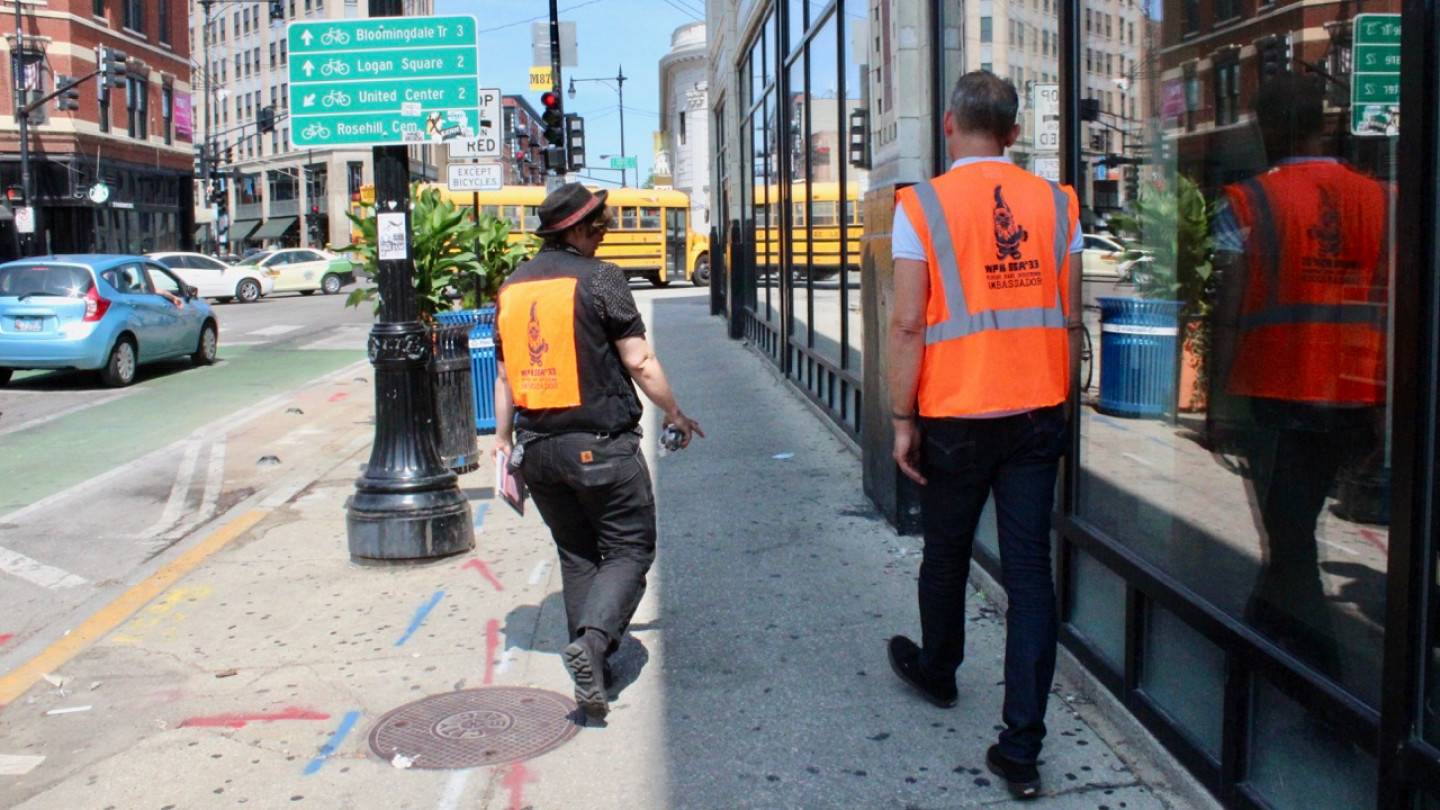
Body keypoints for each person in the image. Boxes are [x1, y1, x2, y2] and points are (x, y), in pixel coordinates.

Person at [885, 70, 1082, 800]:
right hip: (1036, 413)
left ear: (949, 125)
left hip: (956, 415)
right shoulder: (1058, 204)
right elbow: (1066, 318)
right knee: (1030, 574)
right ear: (1013, 130)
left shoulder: (922, 206)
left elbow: (908, 323)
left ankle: (939, 672)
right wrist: (1060, 410)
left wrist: (902, 418)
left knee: (948, 550)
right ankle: (1022, 749)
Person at [492, 183, 704, 720]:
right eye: (601, 226)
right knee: (630, 549)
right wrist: (675, 412)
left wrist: (501, 439)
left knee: (578, 554)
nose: (606, 233)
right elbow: (639, 360)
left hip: (538, 451)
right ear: (578, 231)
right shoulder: (602, 278)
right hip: (600, 447)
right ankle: (591, 645)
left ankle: (595, 673)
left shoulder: (511, 286)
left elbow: (504, 376)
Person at [1210, 74, 1389, 679]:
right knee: (1289, 533)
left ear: (1267, 131)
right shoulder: (1381, 199)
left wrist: (1218, 402)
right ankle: (1253, 651)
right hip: (1356, 397)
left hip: (1276, 395)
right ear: (1323, 124)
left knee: (1290, 543)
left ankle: (1324, 691)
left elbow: (1229, 306)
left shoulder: (1247, 201)